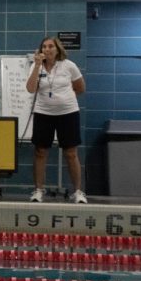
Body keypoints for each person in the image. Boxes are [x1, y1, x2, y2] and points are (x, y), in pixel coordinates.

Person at [25, 36, 87, 204]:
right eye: (44, 46)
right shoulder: (35, 67)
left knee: (71, 153)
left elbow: (80, 87)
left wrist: (64, 99)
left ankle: (78, 192)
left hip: (68, 113)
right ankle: (38, 190)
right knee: (40, 151)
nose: (47, 49)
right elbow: (30, 89)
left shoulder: (69, 65)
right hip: (43, 113)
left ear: (57, 49)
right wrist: (37, 66)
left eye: (51, 46)